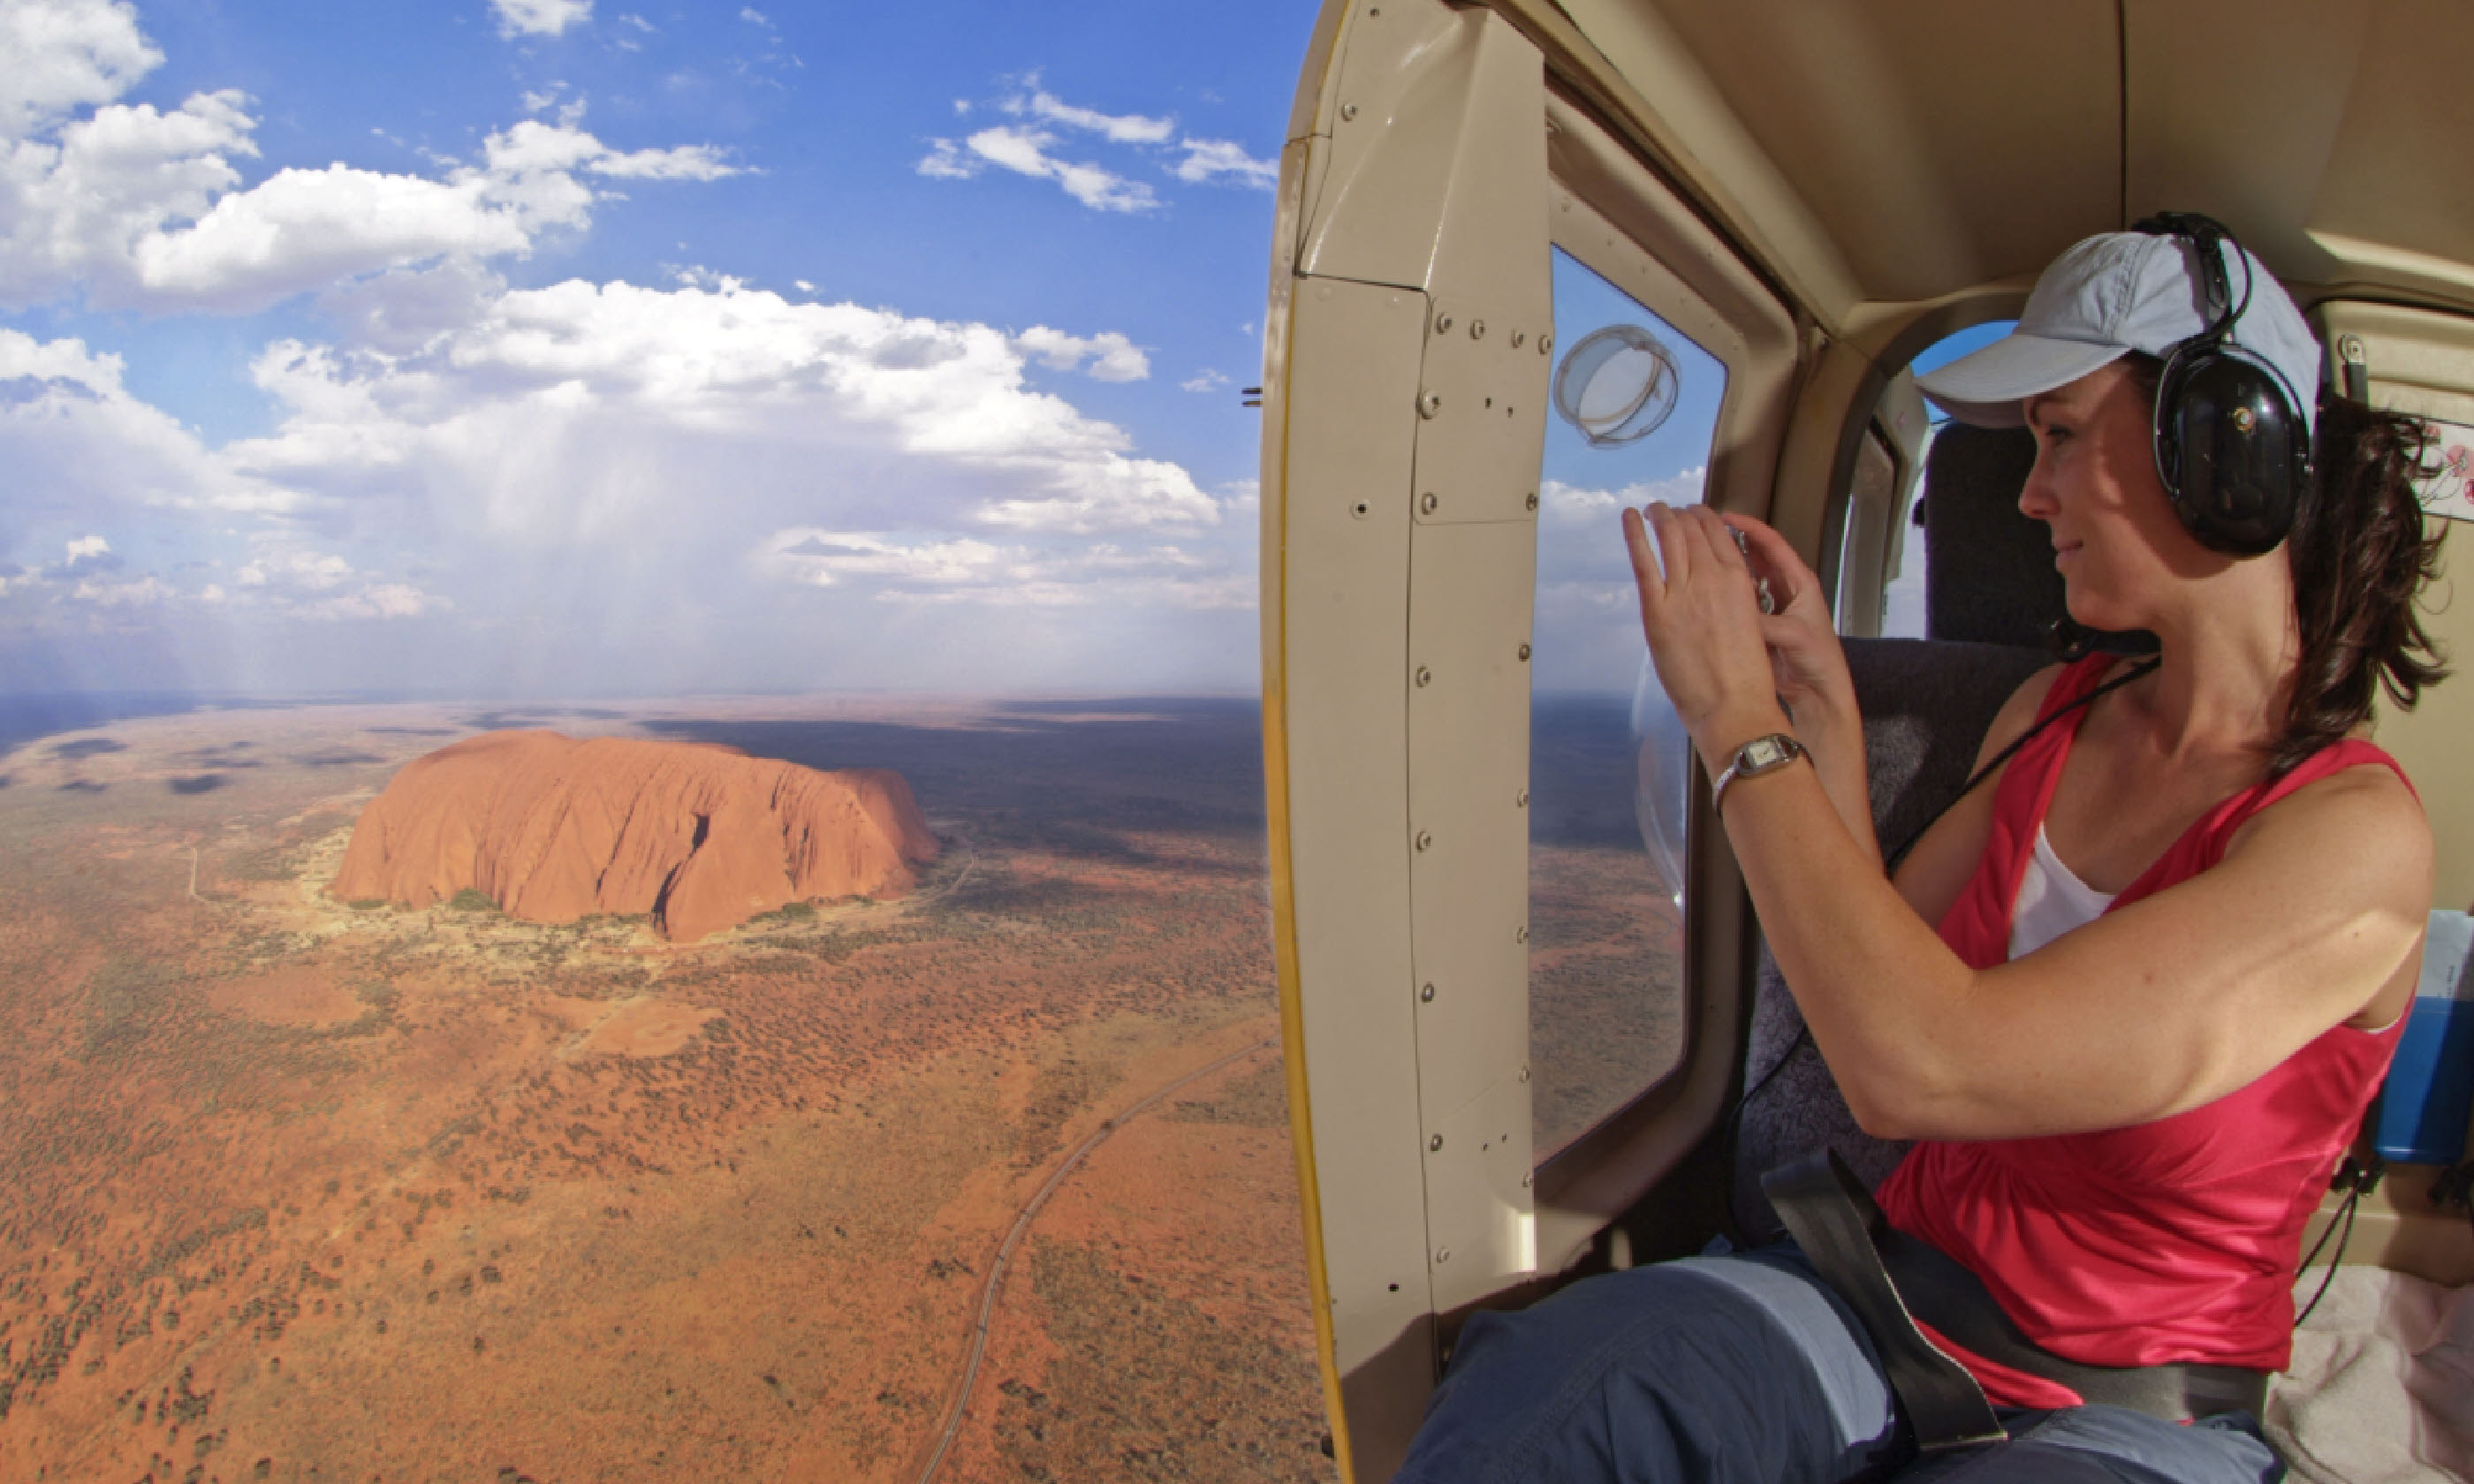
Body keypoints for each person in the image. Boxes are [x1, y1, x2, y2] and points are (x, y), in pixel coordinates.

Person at [1395, 221, 2447, 1483]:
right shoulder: (2049, 718)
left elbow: (1919, 1065)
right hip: (1875, 1299)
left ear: (2225, 444)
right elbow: (1874, 958)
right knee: (1546, 1412)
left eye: (2061, 433)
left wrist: (1735, 729)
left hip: (2125, 1410)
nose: (2028, 493)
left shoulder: (2352, 844)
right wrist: (1817, 705)